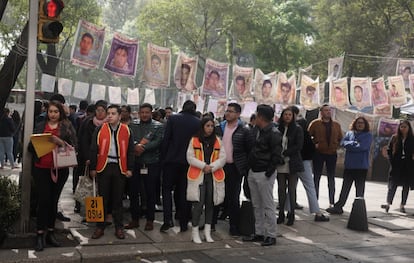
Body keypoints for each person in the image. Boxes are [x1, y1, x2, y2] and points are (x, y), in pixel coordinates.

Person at [29, 100, 77, 251]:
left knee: (53, 201)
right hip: (41, 168)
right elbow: (30, 146)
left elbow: (74, 145)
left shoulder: (67, 125)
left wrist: (60, 142)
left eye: (56, 111)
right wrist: (39, 142)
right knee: (43, 200)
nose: (53, 114)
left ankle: (50, 233)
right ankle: (39, 234)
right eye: (51, 111)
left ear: (60, 112)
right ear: (47, 112)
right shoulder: (40, 124)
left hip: (60, 169)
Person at [89, 104, 135, 240]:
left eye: (113, 113)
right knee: (102, 198)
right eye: (108, 113)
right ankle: (100, 226)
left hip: (120, 167)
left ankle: (119, 227)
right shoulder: (99, 129)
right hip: (104, 166)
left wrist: (130, 168)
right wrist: (92, 168)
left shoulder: (127, 130)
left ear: (120, 116)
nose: (110, 116)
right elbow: (93, 149)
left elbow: (130, 151)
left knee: (118, 200)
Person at [243, 104, 283, 246]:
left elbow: (277, 155)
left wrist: (268, 172)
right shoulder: (256, 130)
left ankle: (271, 234)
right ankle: (259, 232)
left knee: (267, 205)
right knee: (256, 204)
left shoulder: (274, 133)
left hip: (264, 172)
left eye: (257, 114)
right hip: (253, 170)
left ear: (261, 117)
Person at [160, 100, 201, 232]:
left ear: (182, 108)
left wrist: (163, 158)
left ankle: (167, 220)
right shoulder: (198, 122)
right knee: (185, 192)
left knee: (166, 190)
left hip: (171, 160)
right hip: (189, 163)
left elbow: (166, 140)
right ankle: (183, 222)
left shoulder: (173, 119)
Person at [187, 117, 226, 244]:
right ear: (202, 126)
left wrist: (212, 167)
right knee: (198, 204)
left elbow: (223, 158)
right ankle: (195, 232)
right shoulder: (194, 140)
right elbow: (190, 157)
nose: (210, 128)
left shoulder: (218, 141)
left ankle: (207, 232)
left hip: (213, 176)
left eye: (212, 126)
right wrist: (203, 166)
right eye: (207, 125)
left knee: (211, 204)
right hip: (199, 175)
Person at [125, 103, 164, 231]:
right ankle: (134, 219)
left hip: (152, 163)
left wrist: (143, 147)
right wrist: (136, 145)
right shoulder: (133, 125)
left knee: (150, 193)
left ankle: (150, 220)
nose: (144, 115)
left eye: (147, 112)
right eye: (142, 112)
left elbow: (158, 142)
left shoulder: (158, 126)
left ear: (151, 113)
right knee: (133, 193)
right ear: (138, 113)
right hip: (135, 163)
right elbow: (129, 140)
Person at [288, 106, 329, 222]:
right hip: (304, 162)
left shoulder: (290, 130)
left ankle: (287, 209)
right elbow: (310, 148)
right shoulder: (304, 130)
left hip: (291, 162)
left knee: (291, 187)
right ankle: (317, 212)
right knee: (310, 187)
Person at [217, 103, 252, 236]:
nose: (228, 113)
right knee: (217, 195)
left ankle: (234, 225)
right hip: (219, 166)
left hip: (235, 168)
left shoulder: (244, 130)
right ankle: (212, 222)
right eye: (227, 111)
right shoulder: (219, 128)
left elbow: (249, 150)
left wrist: (244, 167)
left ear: (238, 114)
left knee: (233, 197)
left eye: (231, 111)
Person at [326, 117, 373, 214]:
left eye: (362, 123)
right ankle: (338, 207)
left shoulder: (368, 135)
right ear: (354, 124)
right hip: (349, 165)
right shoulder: (349, 133)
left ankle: (358, 209)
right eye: (358, 123)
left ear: (365, 125)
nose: (360, 124)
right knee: (345, 188)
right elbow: (343, 143)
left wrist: (350, 145)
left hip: (361, 166)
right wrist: (354, 143)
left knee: (359, 190)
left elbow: (362, 147)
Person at [308, 104, 343, 207]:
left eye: (329, 110)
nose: (328, 112)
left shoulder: (336, 125)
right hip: (318, 153)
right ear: (321, 112)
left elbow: (340, 138)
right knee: (316, 178)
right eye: (326, 110)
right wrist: (314, 144)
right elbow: (308, 136)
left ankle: (331, 202)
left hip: (332, 153)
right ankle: (315, 201)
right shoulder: (315, 123)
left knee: (331, 178)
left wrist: (336, 145)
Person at [276, 107, 303, 226]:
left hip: (292, 162)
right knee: (281, 189)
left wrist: (286, 153)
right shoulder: (277, 128)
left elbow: (299, 145)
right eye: (285, 114)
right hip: (280, 163)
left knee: (292, 190)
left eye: (289, 115)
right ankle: (280, 213)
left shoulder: (297, 129)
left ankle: (291, 214)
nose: (287, 116)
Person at [381, 120, 414, 214]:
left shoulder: (412, 138)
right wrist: (391, 161)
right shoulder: (395, 138)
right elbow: (389, 150)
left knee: (406, 186)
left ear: (409, 128)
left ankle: (402, 205)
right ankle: (388, 203)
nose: (403, 129)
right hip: (396, 165)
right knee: (393, 184)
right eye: (401, 127)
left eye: (405, 127)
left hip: (408, 165)